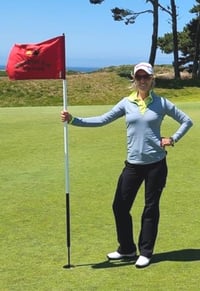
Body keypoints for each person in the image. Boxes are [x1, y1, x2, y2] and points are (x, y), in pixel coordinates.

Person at [61, 62, 193, 268]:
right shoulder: (126, 103)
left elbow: (187, 121)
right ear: (134, 79)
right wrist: (73, 120)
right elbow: (102, 120)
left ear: (152, 80)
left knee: (150, 208)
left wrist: (173, 138)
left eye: (146, 77)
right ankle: (127, 248)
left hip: (156, 164)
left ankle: (146, 251)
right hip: (133, 164)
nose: (142, 81)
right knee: (120, 206)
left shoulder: (162, 103)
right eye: (138, 77)